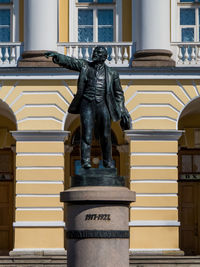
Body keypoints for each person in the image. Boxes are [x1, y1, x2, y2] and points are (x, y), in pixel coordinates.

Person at [45, 46, 131, 169]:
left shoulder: (112, 73)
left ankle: (108, 162)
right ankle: (85, 162)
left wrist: (122, 109)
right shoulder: (85, 66)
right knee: (86, 133)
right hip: (87, 103)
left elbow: (118, 93)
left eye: (98, 53)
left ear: (104, 57)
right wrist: (57, 56)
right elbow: (71, 62)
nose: (95, 54)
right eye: (95, 52)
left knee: (106, 135)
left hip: (103, 104)